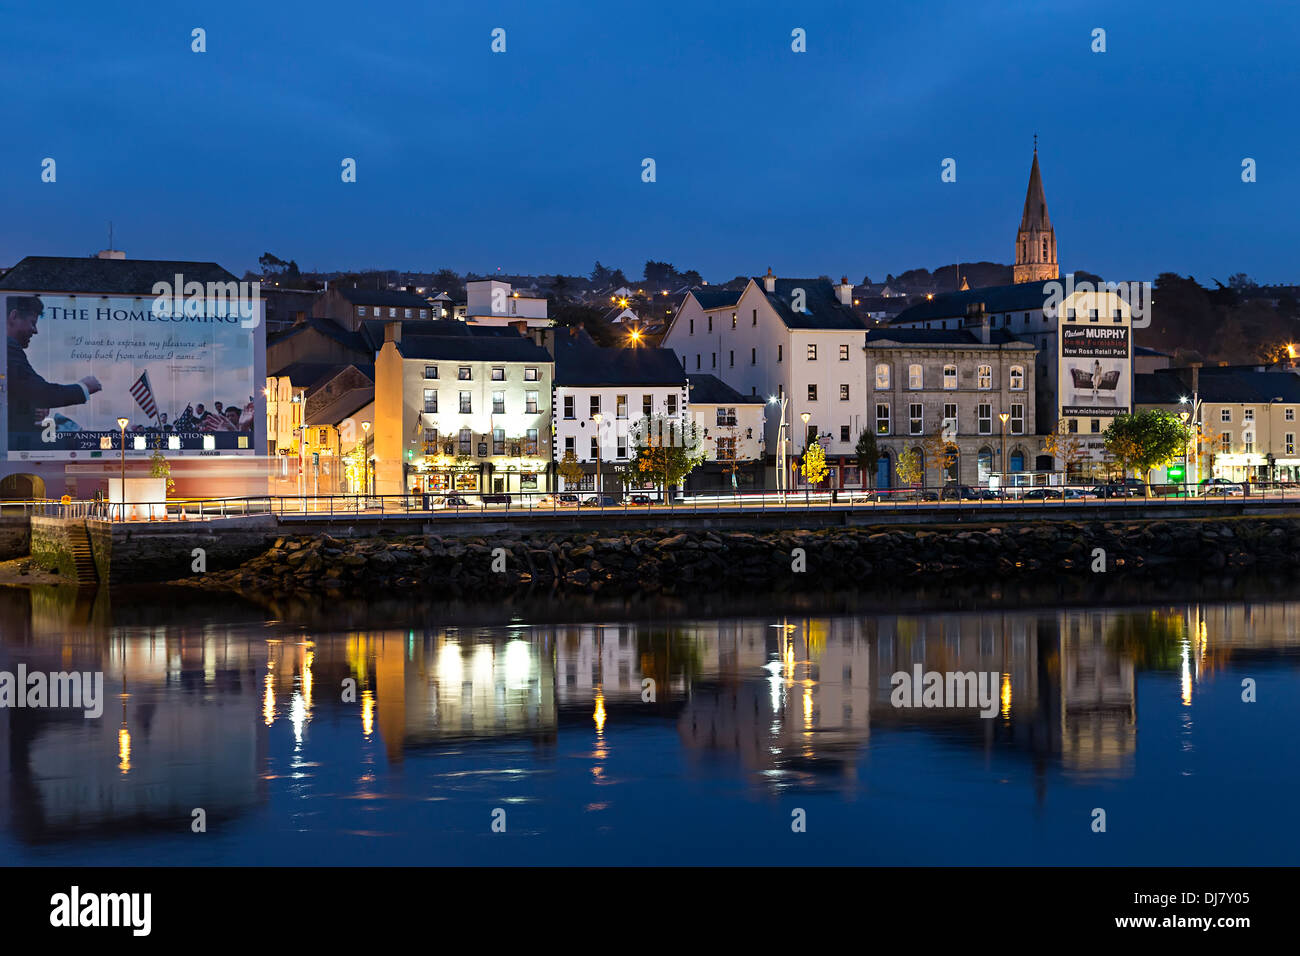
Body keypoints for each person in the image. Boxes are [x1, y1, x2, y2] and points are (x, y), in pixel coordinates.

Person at [6, 295, 101, 445]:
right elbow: (38, 391)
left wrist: (32, 409)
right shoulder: (7, 347)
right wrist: (83, 388)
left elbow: (21, 392)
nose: (35, 331)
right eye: (32, 323)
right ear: (14, 316)